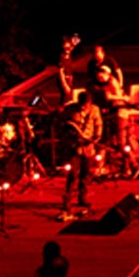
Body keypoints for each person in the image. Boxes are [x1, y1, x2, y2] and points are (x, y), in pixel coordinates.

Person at [61, 89, 102, 219]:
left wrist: (96, 138)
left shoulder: (95, 110)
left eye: (86, 105)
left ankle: (82, 197)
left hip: (88, 147)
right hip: (75, 147)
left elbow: (98, 125)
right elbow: (63, 126)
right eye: (81, 105)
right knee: (73, 174)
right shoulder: (70, 110)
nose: (83, 107)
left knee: (86, 174)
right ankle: (67, 200)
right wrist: (71, 136)